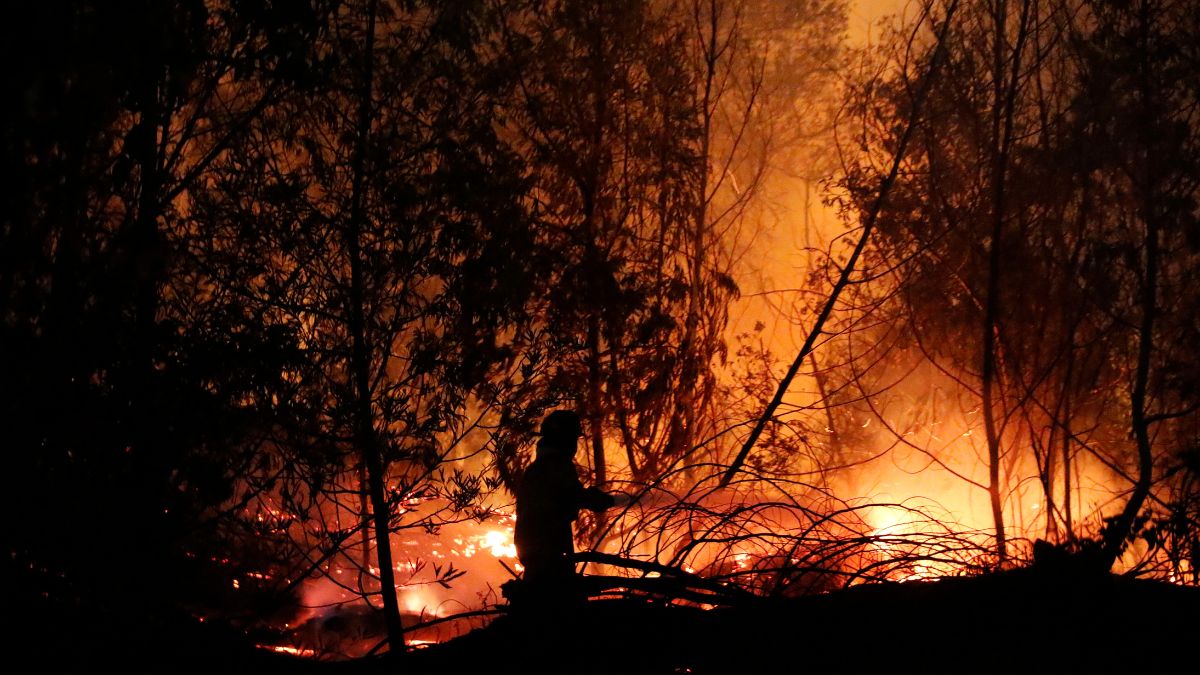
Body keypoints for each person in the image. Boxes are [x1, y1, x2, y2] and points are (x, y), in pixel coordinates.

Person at [513, 410, 617, 592]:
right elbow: (573, 495)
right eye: (572, 438)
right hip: (548, 552)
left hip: (536, 550)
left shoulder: (539, 467)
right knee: (558, 602)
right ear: (563, 439)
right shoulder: (555, 465)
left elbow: (564, 496)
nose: (574, 445)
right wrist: (601, 500)